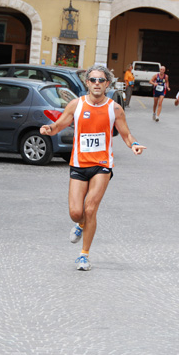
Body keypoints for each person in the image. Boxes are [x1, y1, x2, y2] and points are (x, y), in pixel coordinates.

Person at [40, 65, 146, 271]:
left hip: (102, 165)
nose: (97, 84)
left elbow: (126, 134)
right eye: (93, 80)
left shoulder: (114, 108)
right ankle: (79, 225)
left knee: (90, 209)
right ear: (87, 83)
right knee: (75, 212)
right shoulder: (76, 105)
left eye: (101, 80)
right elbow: (59, 125)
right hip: (79, 164)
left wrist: (133, 145)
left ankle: (83, 255)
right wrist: (48, 129)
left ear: (107, 84)